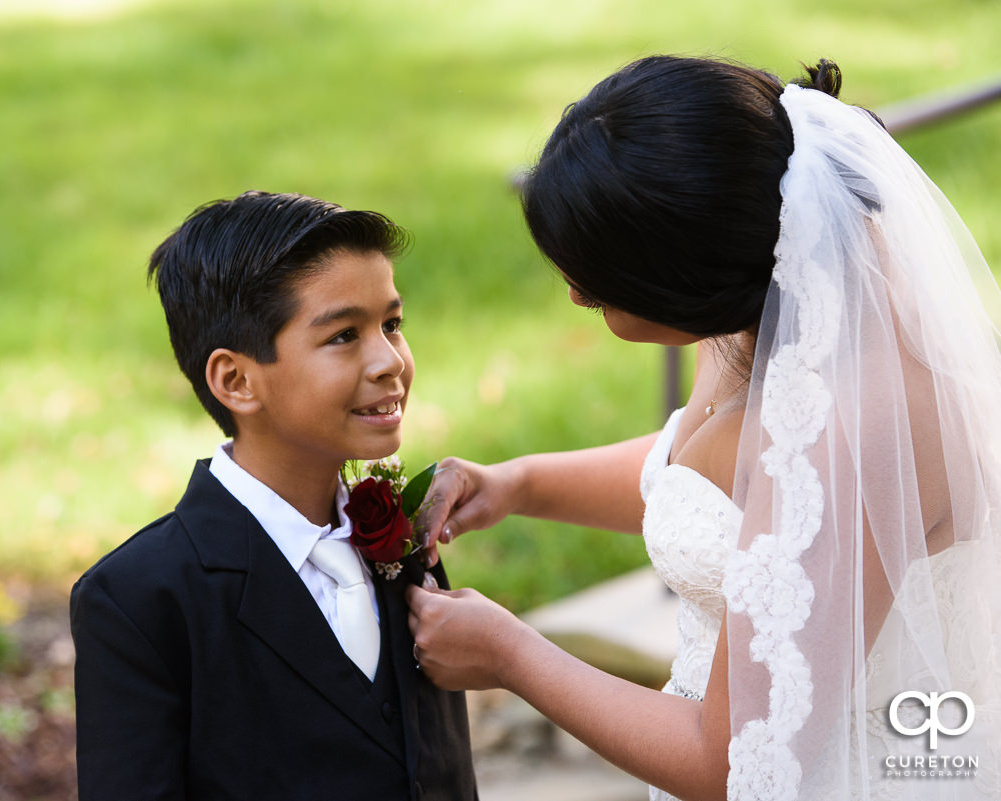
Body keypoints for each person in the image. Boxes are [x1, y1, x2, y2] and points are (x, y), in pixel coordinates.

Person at [405, 56, 1001, 800]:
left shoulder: (861, 427)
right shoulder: (769, 313)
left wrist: (510, 654)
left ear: (684, 277)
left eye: (594, 288)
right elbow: (709, 482)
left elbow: (729, 759)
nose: (570, 291)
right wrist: (518, 484)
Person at [71, 191, 477, 801]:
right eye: (344, 335)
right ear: (236, 381)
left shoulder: (406, 541)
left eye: (391, 324)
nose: (390, 360)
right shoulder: (139, 601)